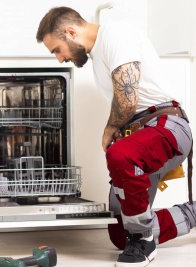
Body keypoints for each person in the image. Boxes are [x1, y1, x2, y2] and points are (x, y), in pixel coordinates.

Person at [36, 6, 194, 267]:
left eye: (57, 50)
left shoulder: (116, 34)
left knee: (120, 154)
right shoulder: (98, 56)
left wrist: (109, 130)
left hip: (168, 126)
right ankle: (188, 215)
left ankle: (143, 240)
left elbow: (128, 100)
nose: (60, 59)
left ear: (70, 31)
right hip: (143, 134)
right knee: (121, 234)